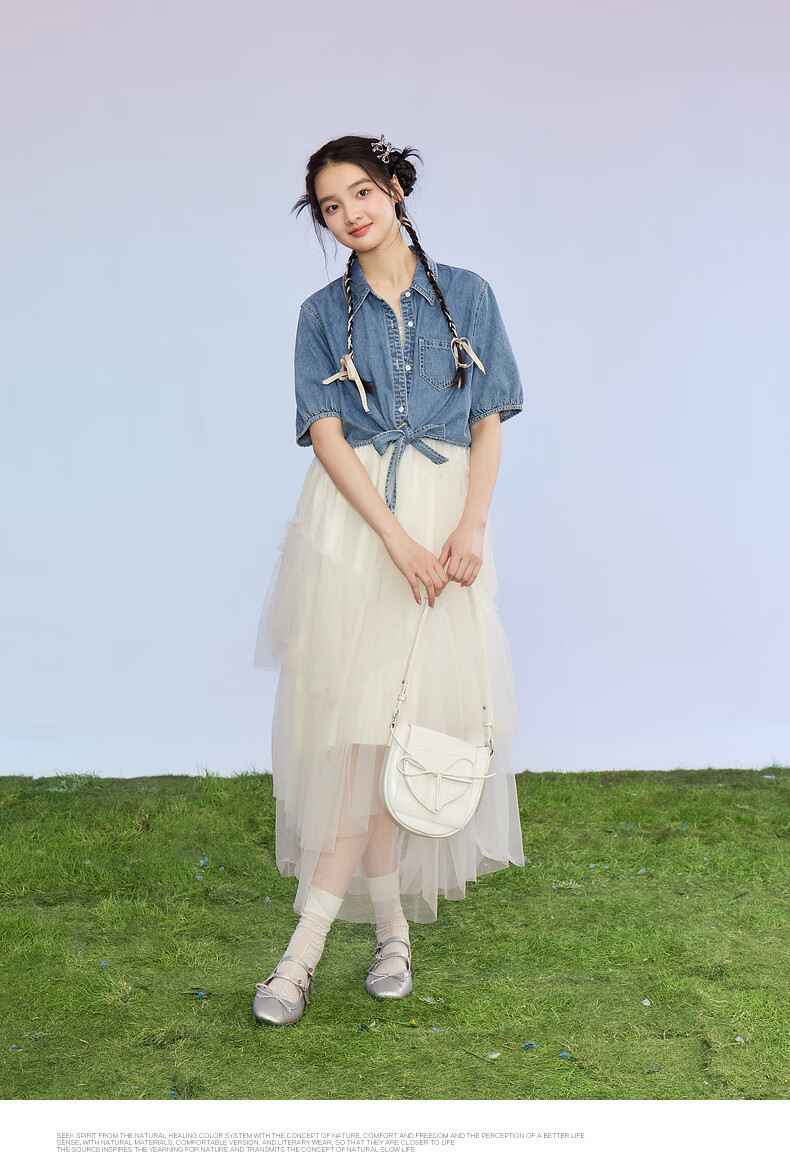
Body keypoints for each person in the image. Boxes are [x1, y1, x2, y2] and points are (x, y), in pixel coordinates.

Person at [251, 134, 525, 1026]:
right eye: (331, 207)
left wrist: (470, 525)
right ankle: (320, 949)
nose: (350, 215)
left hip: (447, 517)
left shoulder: (468, 295)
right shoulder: (319, 314)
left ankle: (381, 933)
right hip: (358, 526)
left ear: (396, 188)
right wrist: (395, 540)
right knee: (360, 738)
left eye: (361, 193)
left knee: (399, 731)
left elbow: (489, 417)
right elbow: (327, 434)